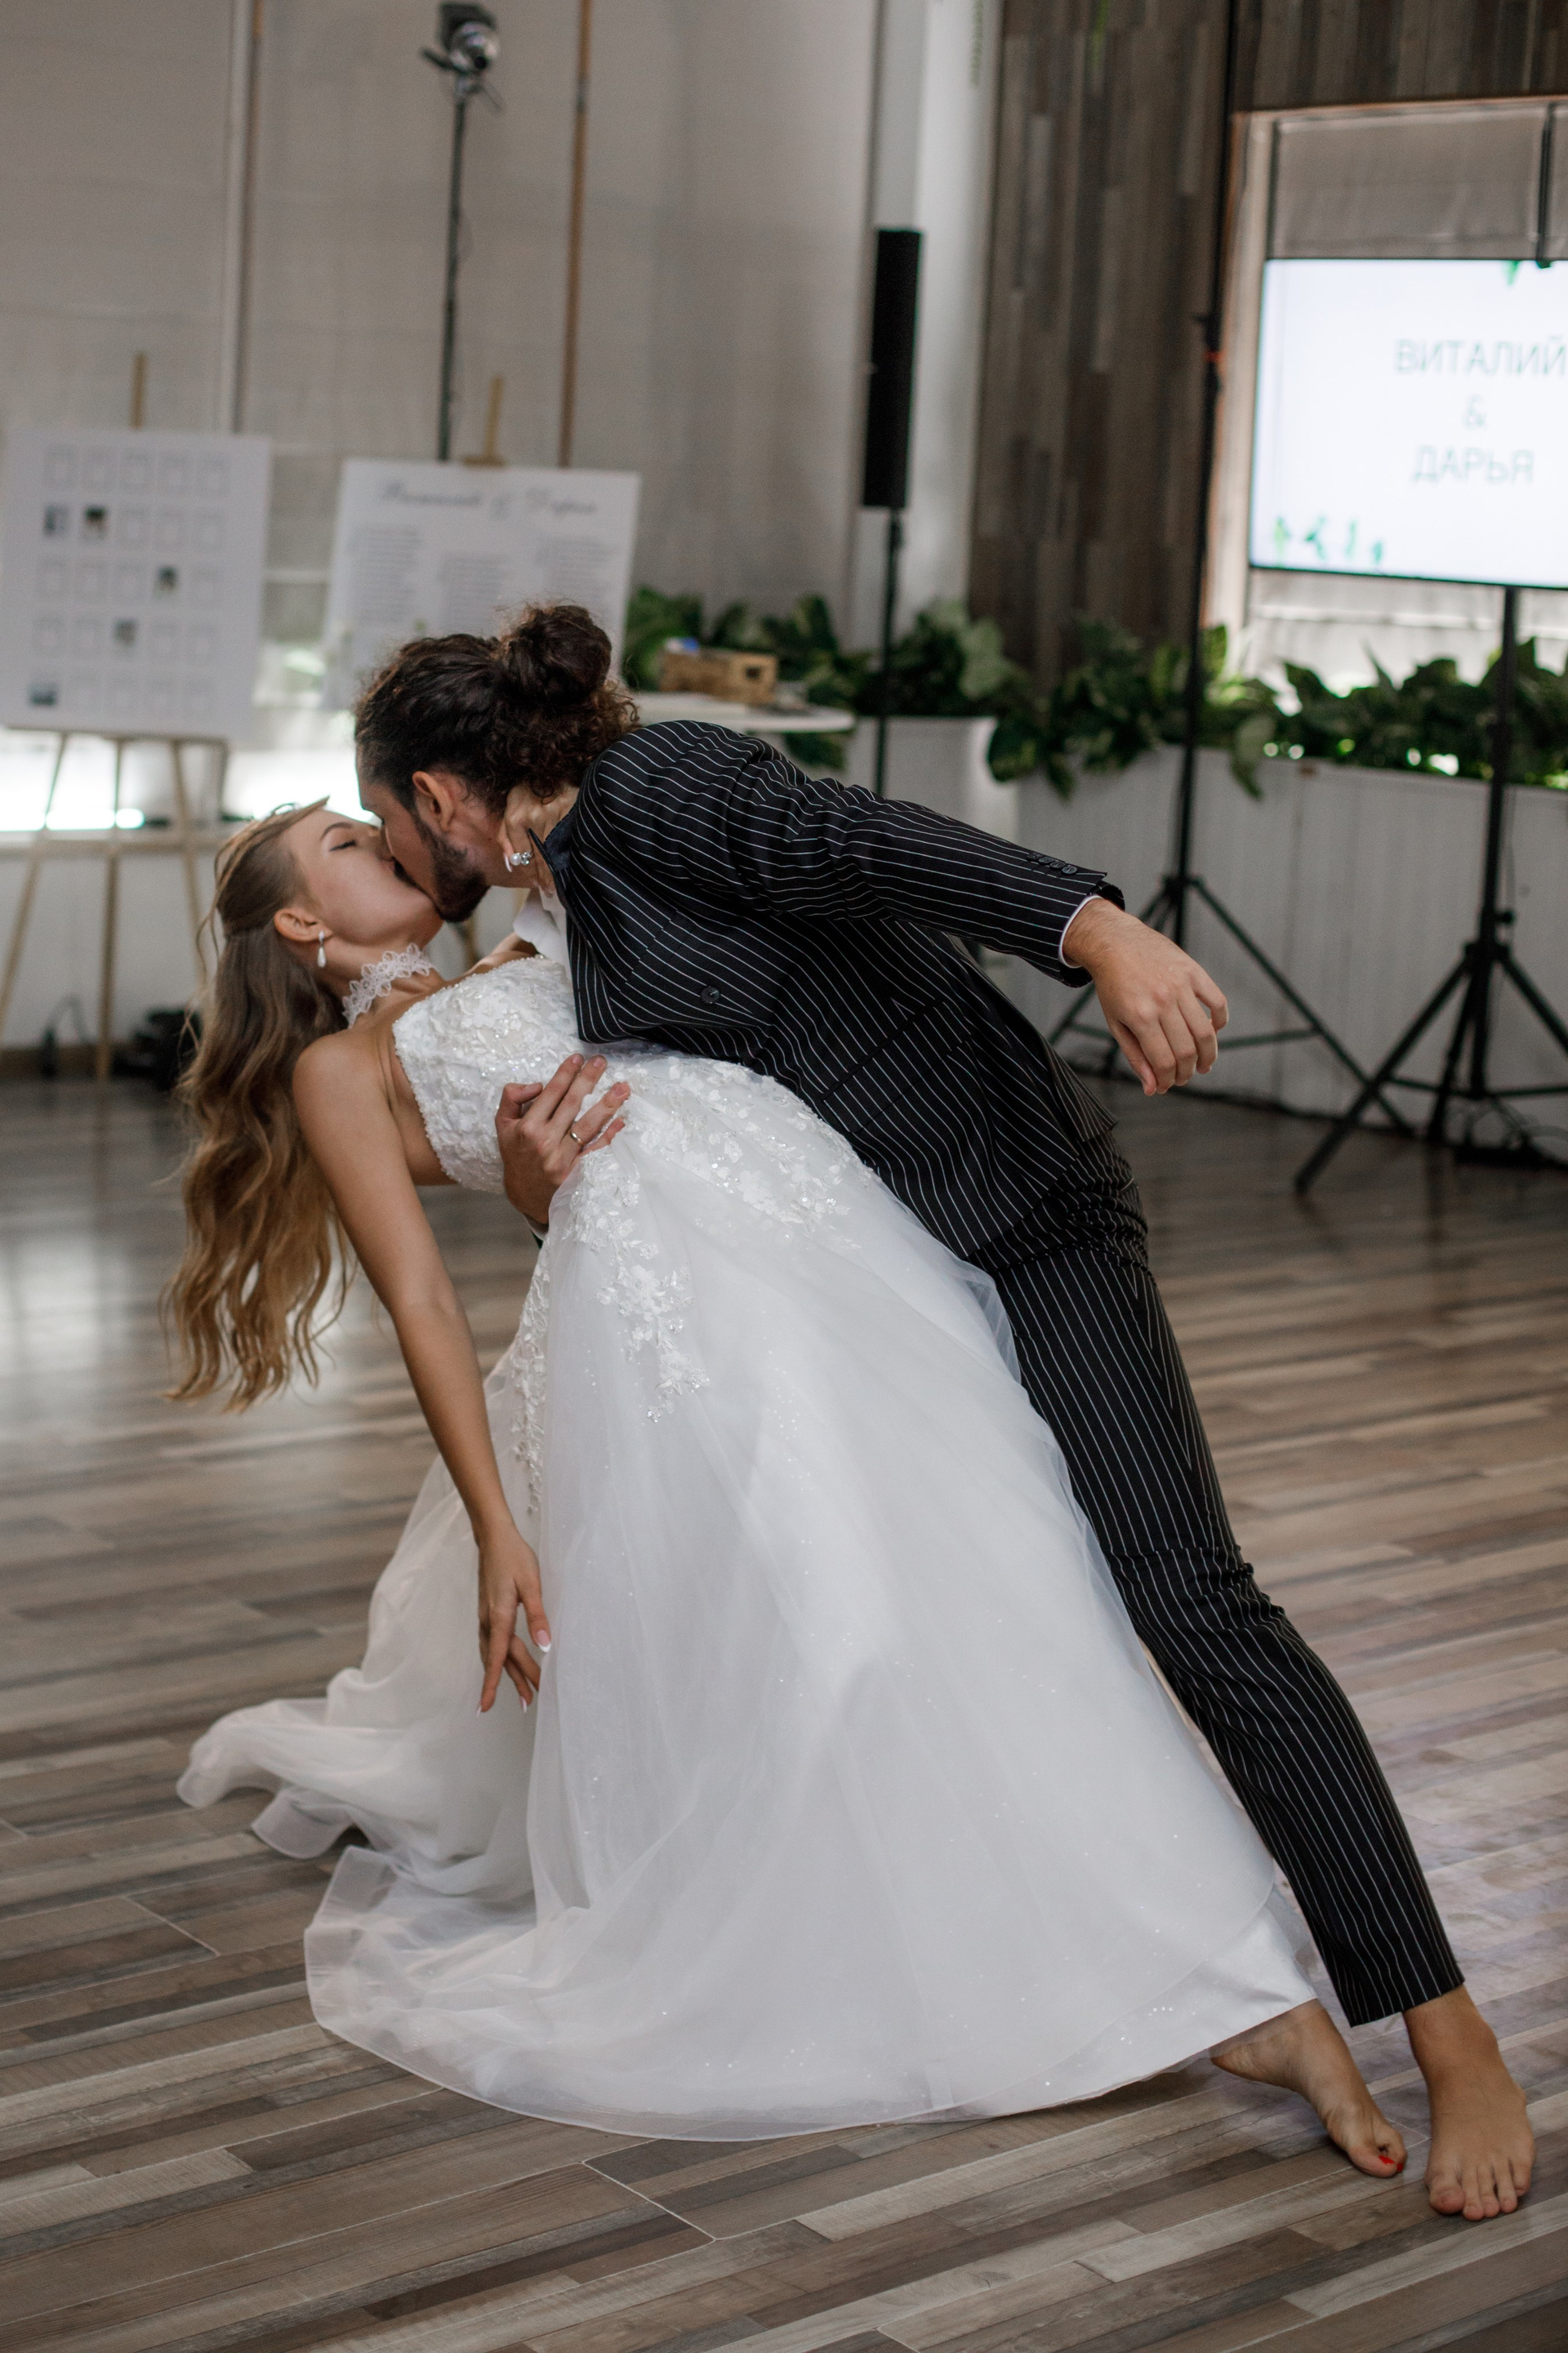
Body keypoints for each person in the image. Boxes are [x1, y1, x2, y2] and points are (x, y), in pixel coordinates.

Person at [350, 604, 1534, 2222]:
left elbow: (868, 841)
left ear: (438, 792)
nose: (403, 859)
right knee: (970, 1626)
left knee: (1190, 1600)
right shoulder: (569, 895)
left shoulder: (659, 785)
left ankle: (1451, 2034)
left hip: (1019, 1217)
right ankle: (1184, 1983)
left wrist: (1097, 933)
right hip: (881, 1285)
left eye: (392, 827)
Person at [172, 795, 1401, 2155]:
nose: (386, 837)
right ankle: (1013, 1952)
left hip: (827, 1241)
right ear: (303, 920)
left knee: (1004, 1578)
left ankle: (1221, 1973)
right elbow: (422, 1302)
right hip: (680, 1328)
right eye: (348, 844)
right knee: (839, 1622)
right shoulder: (341, 1072)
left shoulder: (534, 928)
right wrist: (497, 1523)